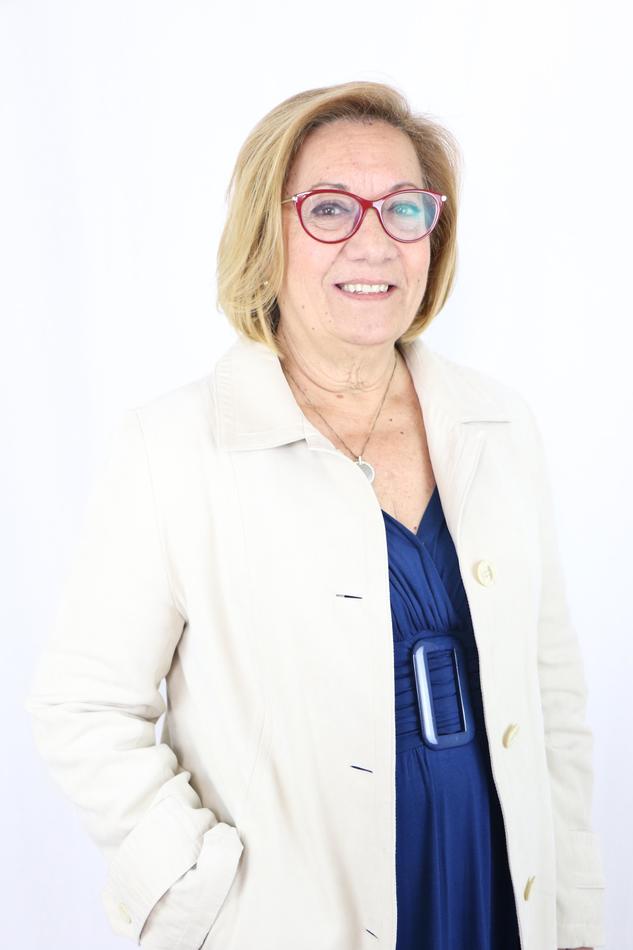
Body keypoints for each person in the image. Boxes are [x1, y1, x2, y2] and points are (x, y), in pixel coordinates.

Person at [25, 81, 605, 950]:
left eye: (403, 208)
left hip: (495, 884)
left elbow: (552, 692)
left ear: (432, 234)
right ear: (267, 235)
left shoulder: (498, 424)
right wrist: (201, 886)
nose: (373, 241)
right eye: (329, 208)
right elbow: (84, 706)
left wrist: (573, 914)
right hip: (297, 912)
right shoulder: (171, 447)